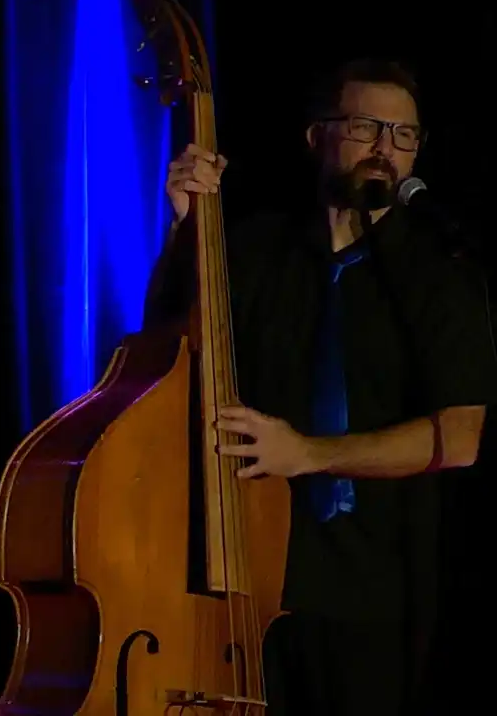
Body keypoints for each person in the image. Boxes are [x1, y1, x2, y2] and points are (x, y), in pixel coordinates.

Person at [147, 58, 496, 715]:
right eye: (367, 127)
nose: (385, 150)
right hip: (242, 579)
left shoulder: (439, 275)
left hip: (372, 596)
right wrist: (186, 226)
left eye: (404, 135)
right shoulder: (254, 249)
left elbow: (462, 437)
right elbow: (167, 350)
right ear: (319, 137)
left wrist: (308, 453)